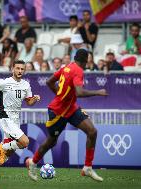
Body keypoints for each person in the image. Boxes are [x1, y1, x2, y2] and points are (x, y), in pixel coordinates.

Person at [25, 49, 108, 181]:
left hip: (71, 108)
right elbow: (79, 92)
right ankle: (32, 163)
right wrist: (98, 92)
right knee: (51, 142)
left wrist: (60, 94)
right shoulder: (78, 70)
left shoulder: (67, 67)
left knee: (92, 131)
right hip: (58, 112)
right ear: (86, 60)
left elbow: (49, 82)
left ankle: (87, 167)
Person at [0, 60, 41, 179]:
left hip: (16, 118)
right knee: (25, 142)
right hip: (5, 116)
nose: (19, 71)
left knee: (10, 151)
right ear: (12, 69)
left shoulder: (26, 85)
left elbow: (29, 102)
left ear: (24, 70)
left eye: (22, 69)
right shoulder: (4, 82)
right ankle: (2, 147)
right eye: (17, 68)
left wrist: (35, 99)